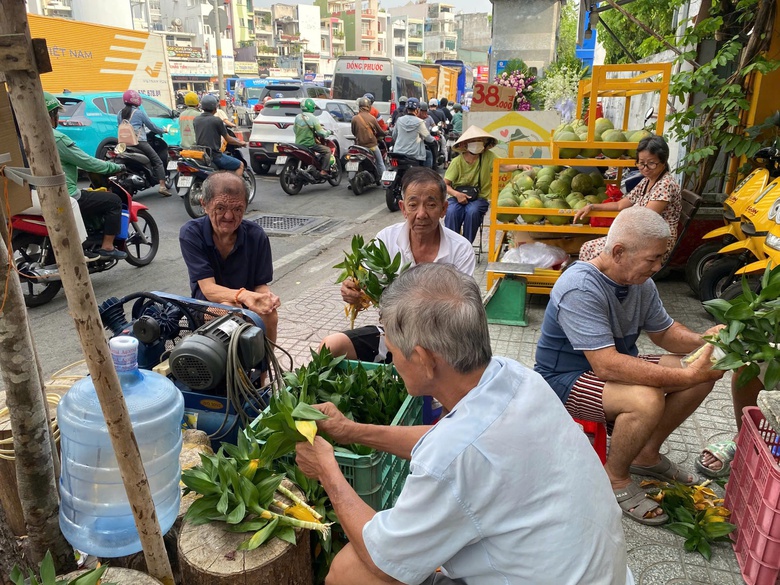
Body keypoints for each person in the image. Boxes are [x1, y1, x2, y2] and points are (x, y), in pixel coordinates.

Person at [298, 263, 632, 585]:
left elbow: (384, 561)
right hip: (596, 571)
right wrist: (351, 431)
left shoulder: (451, 459)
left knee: (349, 571)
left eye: (391, 342)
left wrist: (326, 468)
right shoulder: (516, 377)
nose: (391, 355)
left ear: (425, 359)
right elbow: (448, 440)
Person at [534, 207, 725, 526]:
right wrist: (685, 373)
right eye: (653, 258)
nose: (659, 266)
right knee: (646, 399)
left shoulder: (641, 283)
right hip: (564, 379)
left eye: (661, 257)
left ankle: (645, 454)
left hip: (609, 368)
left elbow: (663, 333)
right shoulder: (580, 285)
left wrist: (704, 341)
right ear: (619, 252)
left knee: (705, 371)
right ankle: (615, 477)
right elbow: (607, 365)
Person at [320, 167, 475, 363]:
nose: (421, 214)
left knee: (423, 368)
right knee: (330, 347)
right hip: (392, 335)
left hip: (439, 342)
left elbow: (461, 313)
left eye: (431, 204)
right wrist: (353, 292)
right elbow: (367, 286)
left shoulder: (460, 250)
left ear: (444, 209)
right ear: (402, 208)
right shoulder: (386, 239)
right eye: (413, 205)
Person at [179, 171, 279, 343]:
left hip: (246, 302)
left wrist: (266, 298)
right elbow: (209, 289)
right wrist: (244, 296)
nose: (229, 216)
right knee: (231, 313)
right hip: (207, 306)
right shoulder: (191, 233)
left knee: (270, 315)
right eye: (220, 208)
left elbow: (260, 285)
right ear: (205, 204)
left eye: (237, 209)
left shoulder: (256, 236)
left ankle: (264, 368)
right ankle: (229, 367)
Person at [574, 135, 681, 262]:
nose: (645, 168)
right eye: (641, 163)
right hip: (641, 236)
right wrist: (592, 206)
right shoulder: (647, 181)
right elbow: (620, 205)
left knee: (594, 252)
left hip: (655, 242)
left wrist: (618, 233)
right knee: (588, 248)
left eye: (651, 163)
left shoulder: (665, 185)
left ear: (663, 162)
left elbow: (646, 219)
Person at [46, 92, 127, 259]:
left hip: (38, 195)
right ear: (50, 115)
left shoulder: (25, 137)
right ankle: (107, 246)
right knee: (113, 201)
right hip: (66, 194)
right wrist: (113, 167)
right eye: (57, 113)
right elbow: (87, 162)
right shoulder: (57, 139)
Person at [444, 125, 530, 243]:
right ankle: (452, 244)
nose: (477, 143)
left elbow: (503, 166)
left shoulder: (488, 156)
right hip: (456, 197)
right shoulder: (457, 162)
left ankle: (466, 246)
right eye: (473, 141)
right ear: (465, 144)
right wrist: (457, 194)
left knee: (472, 212)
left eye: (480, 141)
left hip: (479, 198)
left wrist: (520, 166)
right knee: (451, 211)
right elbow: (445, 185)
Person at [117, 89, 171, 197]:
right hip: (139, 142)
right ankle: (162, 186)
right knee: (158, 161)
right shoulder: (139, 113)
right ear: (137, 100)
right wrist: (162, 130)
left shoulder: (120, 113)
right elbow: (152, 126)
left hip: (123, 143)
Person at [194, 94, 247, 178]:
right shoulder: (216, 120)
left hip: (201, 154)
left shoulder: (196, 119)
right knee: (240, 165)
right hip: (215, 156)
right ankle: (233, 187)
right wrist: (241, 142)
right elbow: (228, 139)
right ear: (215, 107)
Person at [293, 98, 332, 176]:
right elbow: (321, 133)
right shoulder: (313, 118)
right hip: (309, 144)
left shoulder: (298, 117)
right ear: (311, 107)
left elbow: (294, 130)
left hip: (298, 144)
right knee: (327, 151)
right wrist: (329, 132)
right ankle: (324, 171)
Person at [392, 98, 434, 168]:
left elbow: (394, 136)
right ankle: (426, 176)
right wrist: (434, 139)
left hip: (398, 153)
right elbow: (428, 138)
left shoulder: (399, 120)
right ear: (417, 110)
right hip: (414, 155)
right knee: (429, 154)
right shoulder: (420, 122)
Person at [352, 96, 387, 177]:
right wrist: (385, 133)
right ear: (368, 106)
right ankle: (385, 181)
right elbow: (379, 131)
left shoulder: (354, 118)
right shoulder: (372, 118)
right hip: (372, 146)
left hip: (359, 146)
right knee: (380, 163)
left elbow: (354, 132)